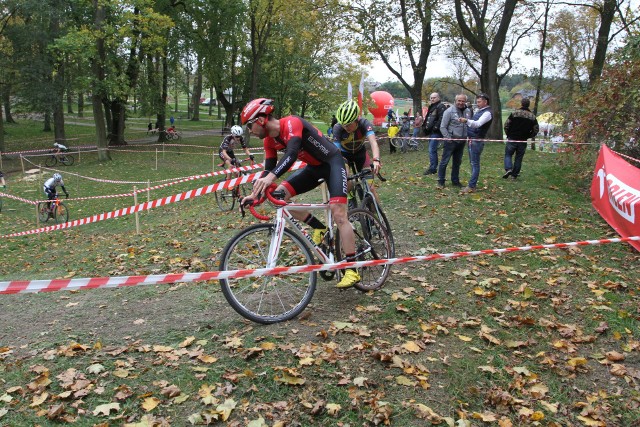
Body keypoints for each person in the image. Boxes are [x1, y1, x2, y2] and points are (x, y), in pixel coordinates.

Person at [240, 98, 361, 289]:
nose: (249, 130)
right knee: (278, 196)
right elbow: (268, 170)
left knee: (339, 213)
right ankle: (319, 227)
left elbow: (292, 153)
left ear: (261, 120)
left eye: (249, 125)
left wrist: (269, 178)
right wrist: (255, 195)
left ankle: (352, 268)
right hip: (313, 168)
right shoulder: (269, 142)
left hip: (333, 164)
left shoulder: (291, 123)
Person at [331, 100, 382, 208]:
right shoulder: (337, 127)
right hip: (345, 156)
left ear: (356, 120)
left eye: (349, 125)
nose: (346, 128)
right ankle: (350, 198)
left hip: (360, 154)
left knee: (371, 188)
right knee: (345, 180)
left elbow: (373, 143)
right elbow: (336, 152)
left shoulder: (364, 123)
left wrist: (376, 159)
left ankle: (378, 216)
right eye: (344, 125)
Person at [458, 93, 493, 194]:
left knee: (475, 163)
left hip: (476, 140)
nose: (477, 103)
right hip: (472, 139)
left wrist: (466, 121)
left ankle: (471, 186)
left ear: (485, 102)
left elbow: (477, 124)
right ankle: (471, 184)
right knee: (473, 163)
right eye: (477, 101)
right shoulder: (480, 111)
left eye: (479, 101)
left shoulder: (487, 113)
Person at [437, 94, 471, 190]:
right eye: (459, 100)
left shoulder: (468, 111)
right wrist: (448, 138)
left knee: (457, 162)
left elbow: (469, 124)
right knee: (445, 161)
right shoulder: (449, 111)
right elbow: (443, 127)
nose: (461, 102)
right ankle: (441, 181)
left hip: (462, 141)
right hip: (451, 141)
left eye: (463, 101)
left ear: (465, 101)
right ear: (455, 101)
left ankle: (455, 181)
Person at [503, 98, 539, 180]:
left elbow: (506, 125)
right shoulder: (532, 116)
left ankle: (508, 169)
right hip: (523, 139)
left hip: (512, 137)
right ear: (529, 105)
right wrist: (529, 135)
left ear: (521, 104)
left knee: (508, 154)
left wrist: (508, 134)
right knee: (518, 158)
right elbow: (536, 129)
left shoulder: (514, 113)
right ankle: (514, 175)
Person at [423, 92, 448, 175]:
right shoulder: (432, 106)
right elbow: (428, 118)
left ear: (438, 98)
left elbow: (442, 119)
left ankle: (433, 168)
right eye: (431, 98)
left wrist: (435, 127)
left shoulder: (441, 106)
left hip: (437, 132)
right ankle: (432, 166)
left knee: (432, 149)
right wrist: (425, 128)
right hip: (432, 132)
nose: (432, 99)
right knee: (431, 150)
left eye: (434, 97)